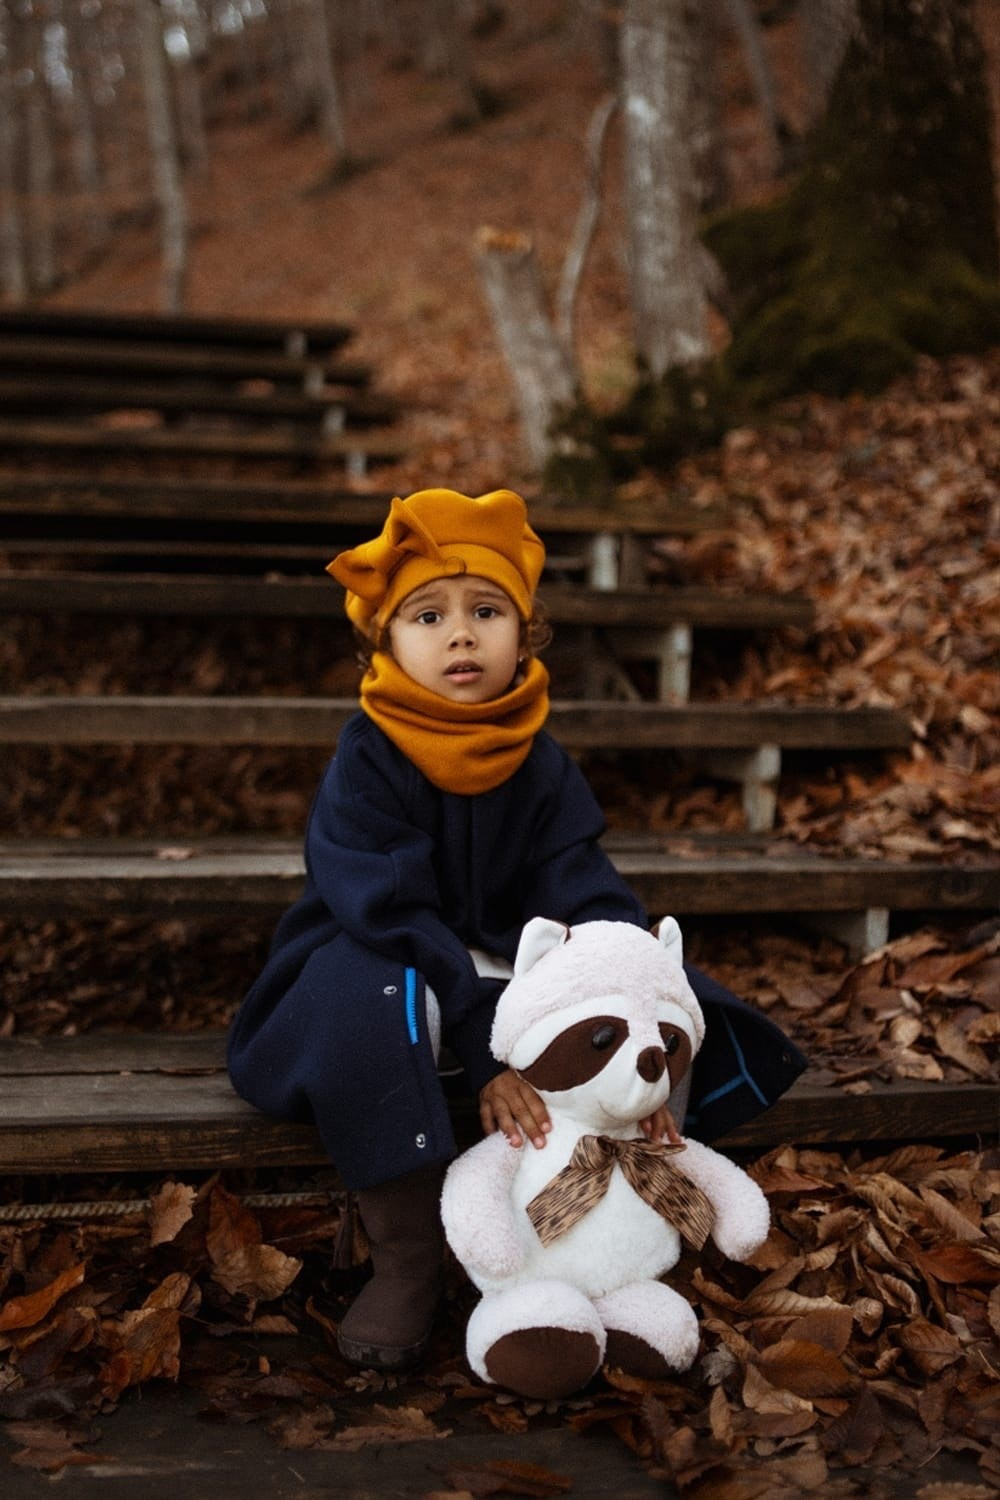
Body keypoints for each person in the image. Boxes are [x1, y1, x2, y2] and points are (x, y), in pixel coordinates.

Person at [227, 487, 805, 1373]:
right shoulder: (371, 755)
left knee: (643, 981)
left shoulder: (537, 755)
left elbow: (583, 883)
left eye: (486, 611)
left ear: (523, 632)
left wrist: (630, 986)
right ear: (385, 640)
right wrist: (480, 1044)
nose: (461, 634)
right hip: (384, 945)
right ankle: (411, 1254)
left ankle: (621, 1229)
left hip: (509, 945)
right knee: (372, 1009)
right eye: (428, 615)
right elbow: (388, 910)